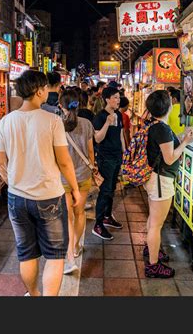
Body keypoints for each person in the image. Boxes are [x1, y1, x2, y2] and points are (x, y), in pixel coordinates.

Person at [0, 70, 80, 296]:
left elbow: (0, 163)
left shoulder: (6, 122)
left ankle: (33, 294)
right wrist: (76, 189)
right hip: (49, 197)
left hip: (16, 199)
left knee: (27, 253)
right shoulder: (52, 121)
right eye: (45, 88)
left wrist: (14, 183)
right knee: (54, 256)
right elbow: (64, 161)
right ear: (39, 90)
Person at [143, 90, 193, 278]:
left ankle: (151, 250)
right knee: (156, 224)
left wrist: (181, 138)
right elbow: (170, 157)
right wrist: (186, 142)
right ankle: (153, 265)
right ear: (168, 106)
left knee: (153, 220)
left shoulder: (156, 125)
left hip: (156, 179)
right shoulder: (162, 129)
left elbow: (167, 147)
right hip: (161, 180)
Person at [59, 88, 95, 274]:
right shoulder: (87, 123)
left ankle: (69, 252)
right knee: (80, 213)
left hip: (63, 177)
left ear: (60, 105)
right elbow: (90, 152)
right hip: (83, 176)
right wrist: (91, 168)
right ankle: (75, 247)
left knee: (68, 216)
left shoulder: (56, 124)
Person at [92, 87, 125, 240]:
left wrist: (124, 154)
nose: (118, 100)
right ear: (107, 99)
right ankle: (98, 225)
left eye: (119, 98)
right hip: (105, 158)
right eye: (115, 98)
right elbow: (97, 138)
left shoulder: (119, 114)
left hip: (117, 156)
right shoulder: (100, 117)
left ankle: (107, 216)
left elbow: (120, 136)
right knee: (104, 191)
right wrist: (107, 123)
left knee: (112, 189)